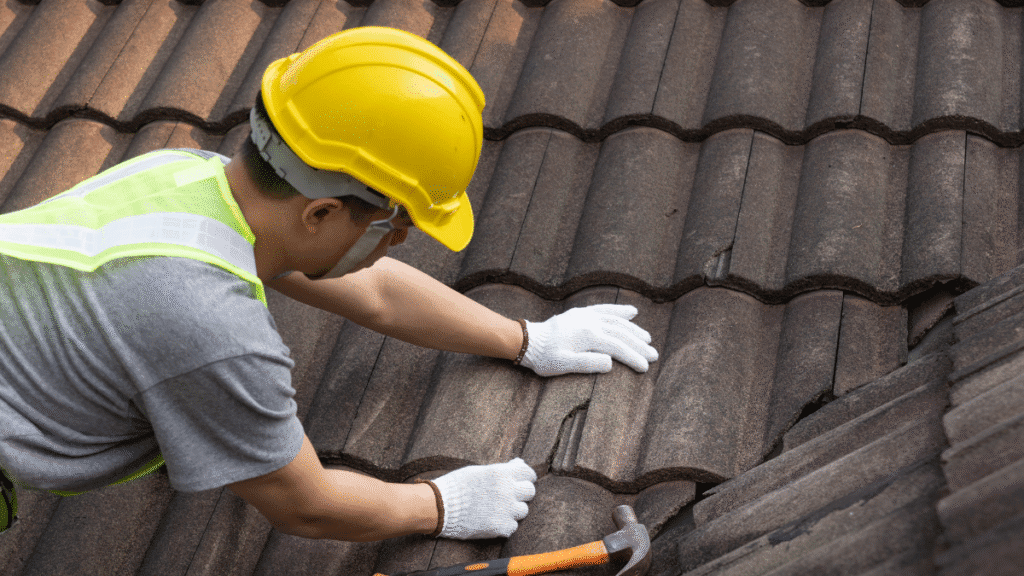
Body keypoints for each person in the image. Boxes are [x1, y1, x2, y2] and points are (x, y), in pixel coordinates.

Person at [0, 27, 658, 541]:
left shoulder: (189, 175)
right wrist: (438, 503)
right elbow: (304, 504)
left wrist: (526, 338)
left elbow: (376, 292)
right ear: (319, 212)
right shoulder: (210, 329)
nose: (398, 241)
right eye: (395, 224)